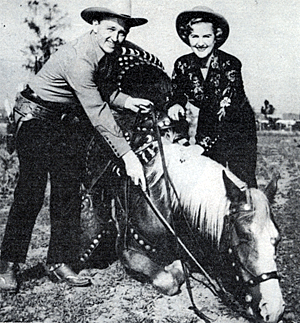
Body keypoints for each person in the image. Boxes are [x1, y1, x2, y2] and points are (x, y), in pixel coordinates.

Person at [0, 0, 152, 291]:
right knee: (31, 190)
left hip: (64, 121)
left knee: (67, 189)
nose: (116, 37)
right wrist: (128, 155)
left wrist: (127, 101)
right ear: (95, 25)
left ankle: (59, 262)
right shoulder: (79, 57)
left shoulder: (108, 51)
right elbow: (96, 110)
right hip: (35, 117)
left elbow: (104, 89)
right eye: (110, 29)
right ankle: (7, 264)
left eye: (122, 32)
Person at [168, 6, 257, 188]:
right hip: (207, 124)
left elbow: (225, 109)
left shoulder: (230, 64)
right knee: (209, 183)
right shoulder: (182, 64)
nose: (200, 43)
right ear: (187, 37)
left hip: (237, 130)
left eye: (206, 36)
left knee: (241, 182)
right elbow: (177, 92)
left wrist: (201, 146)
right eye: (195, 36)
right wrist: (175, 104)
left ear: (216, 37)